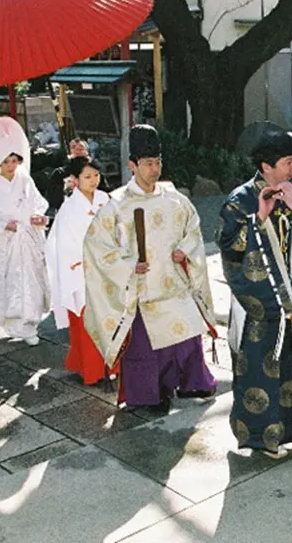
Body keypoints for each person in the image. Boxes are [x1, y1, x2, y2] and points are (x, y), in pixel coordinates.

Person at [218, 125, 292, 460]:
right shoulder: (239, 202)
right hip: (258, 306)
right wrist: (258, 221)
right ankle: (265, 437)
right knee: (259, 369)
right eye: (287, 162)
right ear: (266, 167)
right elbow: (230, 251)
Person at [84, 124, 216, 411]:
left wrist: (186, 250)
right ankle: (149, 395)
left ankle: (193, 382)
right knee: (144, 348)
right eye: (147, 163)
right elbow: (96, 247)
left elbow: (192, 229)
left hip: (173, 284)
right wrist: (129, 265)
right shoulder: (116, 204)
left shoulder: (175, 200)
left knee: (188, 337)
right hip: (142, 291)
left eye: (157, 162)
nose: (154, 169)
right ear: (132, 165)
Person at [0, 117, 50, 347]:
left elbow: (39, 202)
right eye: (6, 161)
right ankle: (13, 323)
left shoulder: (25, 179)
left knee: (31, 280)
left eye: (14, 160)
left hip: (27, 237)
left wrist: (37, 216)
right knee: (10, 282)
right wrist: (2, 226)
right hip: (6, 241)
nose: (11, 165)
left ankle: (30, 325)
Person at [46, 156, 117, 385]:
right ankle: (91, 369)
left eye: (96, 175)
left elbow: (119, 231)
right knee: (86, 323)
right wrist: (84, 261)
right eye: (87, 177)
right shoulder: (69, 208)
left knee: (110, 319)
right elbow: (64, 244)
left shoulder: (106, 200)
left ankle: (111, 365)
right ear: (75, 179)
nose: (94, 180)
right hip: (81, 271)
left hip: (107, 268)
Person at [47, 137, 90, 215]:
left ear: (86, 152)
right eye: (74, 147)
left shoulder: (94, 173)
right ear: (70, 151)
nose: (77, 150)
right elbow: (52, 198)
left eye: (81, 148)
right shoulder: (60, 173)